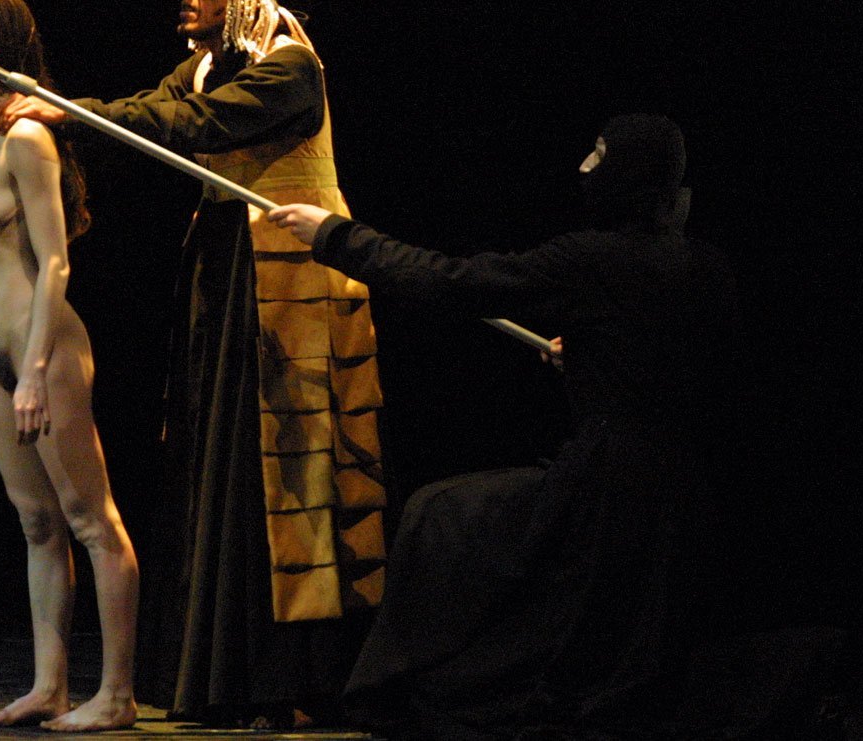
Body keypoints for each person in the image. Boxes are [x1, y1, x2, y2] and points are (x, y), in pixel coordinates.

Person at [0, 0, 388, 726]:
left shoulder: (290, 66)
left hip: (292, 272)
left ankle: (299, 680)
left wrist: (64, 111)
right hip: (225, 264)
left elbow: (192, 125)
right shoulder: (203, 67)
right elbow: (163, 108)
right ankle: (221, 677)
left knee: (290, 474)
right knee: (219, 462)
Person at [269, 114, 738, 738]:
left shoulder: (591, 259)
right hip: (685, 493)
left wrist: (335, 235)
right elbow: (676, 359)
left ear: (628, 174)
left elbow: (451, 282)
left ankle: (407, 682)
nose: (584, 168)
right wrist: (591, 354)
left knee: (440, 514)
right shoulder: (704, 265)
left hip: (607, 490)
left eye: (599, 156)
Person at [0, 0, 139, 732]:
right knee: (36, 522)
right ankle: (49, 685)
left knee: (88, 516)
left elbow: (55, 262)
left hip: (42, 344)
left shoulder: (25, 137)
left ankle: (116, 694)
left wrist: (37, 369)